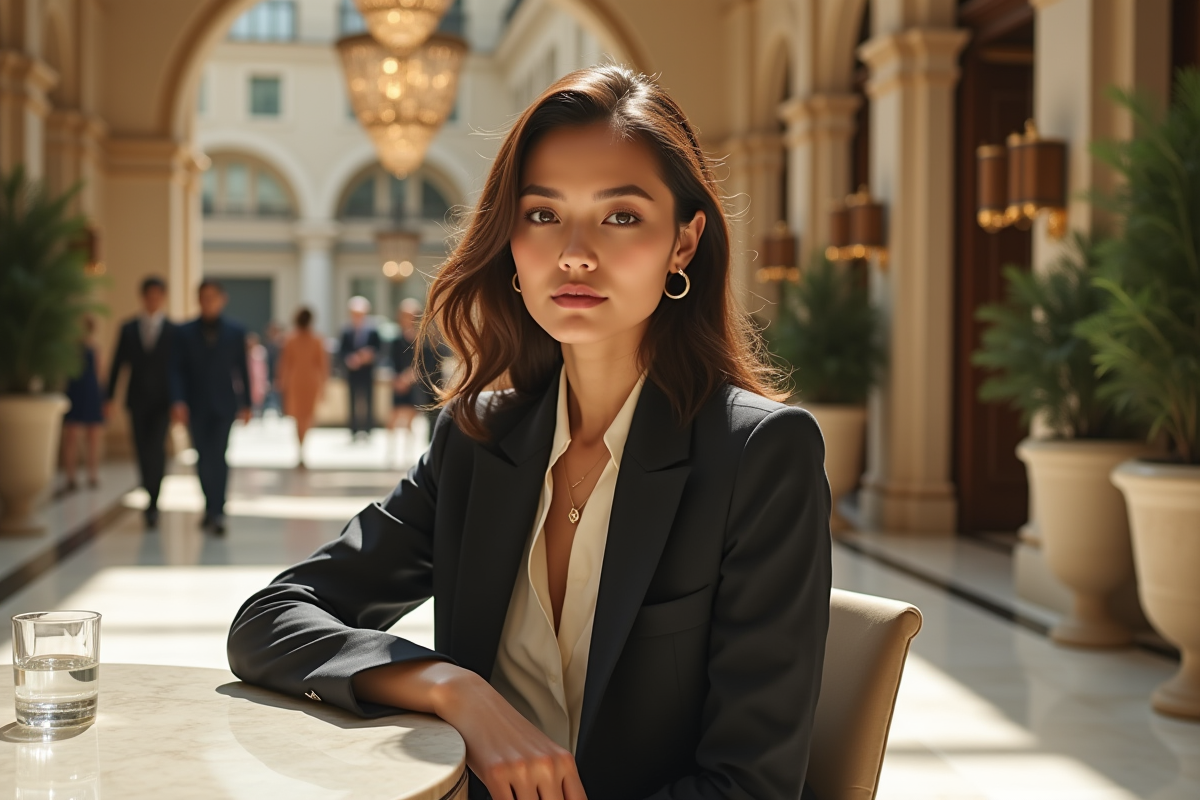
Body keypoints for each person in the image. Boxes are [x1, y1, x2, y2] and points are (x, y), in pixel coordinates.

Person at [228, 65, 831, 800]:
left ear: (684, 242)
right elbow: (270, 620)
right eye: (543, 214)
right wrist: (451, 687)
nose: (574, 251)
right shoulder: (479, 437)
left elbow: (752, 787)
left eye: (620, 216)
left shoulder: (759, 457)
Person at [171, 279, 251, 535]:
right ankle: (209, 506)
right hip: (195, 404)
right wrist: (178, 400)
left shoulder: (236, 332)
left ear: (222, 299)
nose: (208, 302)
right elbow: (176, 371)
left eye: (213, 297)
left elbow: (243, 369)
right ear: (198, 300)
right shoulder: (184, 333)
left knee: (219, 455)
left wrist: (247, 403)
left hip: (224, 403)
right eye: (203, 297)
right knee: (203, 457)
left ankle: (218, 511)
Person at [105, 275, 175, 527]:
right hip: (137, 401)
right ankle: (148, 489)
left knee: (156, 448)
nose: (153, 299)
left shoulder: (172, 330)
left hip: (163, 402)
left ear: (163, 297)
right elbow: (117, 365)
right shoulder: (128, 328)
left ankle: (153, 501)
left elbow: (178, 370)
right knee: (142, 449)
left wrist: (179, 401)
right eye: (149, 295)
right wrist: (109, 397)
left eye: (158, 295)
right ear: (143, 297)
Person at [277, 307, 329, 468]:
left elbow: (285, 364)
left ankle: (300, 448)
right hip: (309, 381)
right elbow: (322, 365)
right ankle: (301, 447)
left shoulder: (291, 339)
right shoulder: (316, 339)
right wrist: (323, 386)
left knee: (299, 417)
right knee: (305, 416)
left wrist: (282, 382)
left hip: (296, 380)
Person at [388, 298, 439, 453]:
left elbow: (427, 364)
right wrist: (396, 379)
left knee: (411, 422)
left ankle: (409, 455)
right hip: (398, 385)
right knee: (392, 420)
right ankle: (391, 455)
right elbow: (389, 361)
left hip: (415, 386)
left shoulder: (424, 340)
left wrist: (410, 377)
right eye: (404, 315)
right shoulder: (395, 340)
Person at [62, 316, 105, 492]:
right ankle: (70, 476)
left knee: (92, 436)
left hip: (91, 392)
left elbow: (100, 372)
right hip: (75, 392)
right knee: (71, 436)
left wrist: (104, 398)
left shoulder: (95, 348)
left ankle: (92, 474)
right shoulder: (71, 349)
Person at [338, 296, 381, 440]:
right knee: (352, 400)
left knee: (369, 400)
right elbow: (341, 351)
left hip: (367, 371)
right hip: (352, 372)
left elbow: (379, 350)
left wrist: (369, 356)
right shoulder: (346, 331)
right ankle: (353, 430)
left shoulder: (373, 330)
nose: (357, 317)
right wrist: (349, 359)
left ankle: (368, 429)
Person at [246, 332, 269, 417]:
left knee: (259, 398)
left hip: (258, 379)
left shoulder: (260, 351)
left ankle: (258, 414)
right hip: (250, 379)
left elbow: (263, 368)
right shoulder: (246, 352)